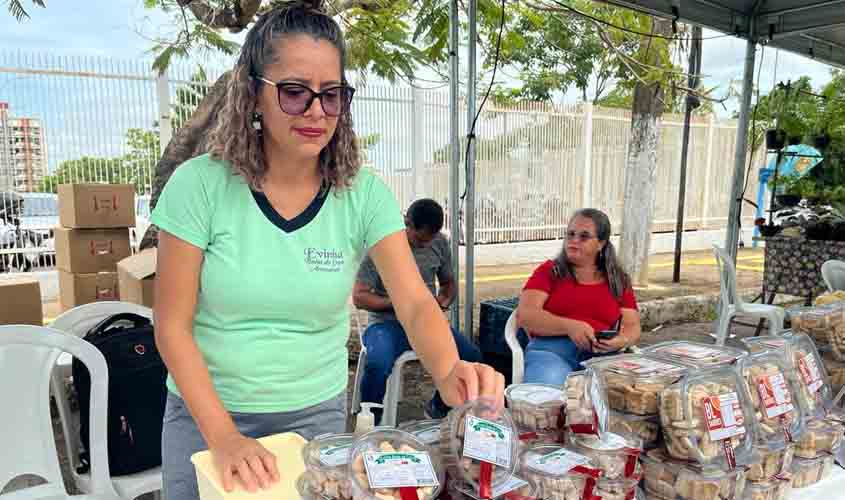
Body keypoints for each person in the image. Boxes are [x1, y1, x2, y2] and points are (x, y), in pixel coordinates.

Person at [150, 3, 505, 500]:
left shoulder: (362, 194)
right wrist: (225, 438)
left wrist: (449, 372)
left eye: (332, 94)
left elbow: (415, 300)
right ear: (254, 94)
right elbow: (171, 326)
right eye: (295, 92)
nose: (317, 111)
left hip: (312, 416)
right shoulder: (199, 186)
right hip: (206, 415)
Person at [353, 198, 484, 421]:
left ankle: (438, 407)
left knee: (471, 356)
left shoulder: (439, 243)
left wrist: (443, 301)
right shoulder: (382, 246)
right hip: (386, 324)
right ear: (407, 223)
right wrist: (401, 301)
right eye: (419, 239)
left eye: (430, 239)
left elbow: (448, 283)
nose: (425, 244)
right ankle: (370, 422)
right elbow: (359, 297)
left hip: (425, 323)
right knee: (378, 362)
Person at [516, 208, 641, 384]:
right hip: (551, 351)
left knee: (626, 398)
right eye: (570, 234)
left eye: (584, 236)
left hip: (603, 357)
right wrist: (569, 326)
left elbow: (632, 326)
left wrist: (621, 340)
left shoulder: (618, 279)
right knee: (548, 398)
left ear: (601, 243)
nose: (574, 241)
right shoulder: (549, 271)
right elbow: (526, 315)